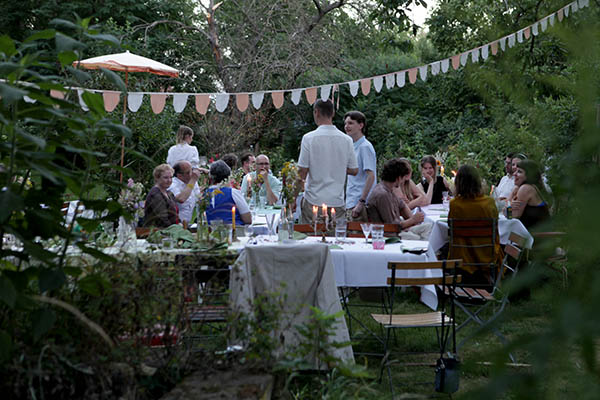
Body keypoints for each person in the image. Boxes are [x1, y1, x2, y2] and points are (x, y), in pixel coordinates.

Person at [298, 99, 358, 223]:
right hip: (337, 201)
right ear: (333, 113)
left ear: (316, 112)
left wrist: (293, 197)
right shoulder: (346, 140)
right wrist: (338, 165)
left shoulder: (309, 138)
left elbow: (302, 172)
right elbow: (354, 170)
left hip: (313, 200)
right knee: (336, 234)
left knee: (311, 234)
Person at [448, 164, 503, 281]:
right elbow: (495, 226)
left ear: (458, 183)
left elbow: (450, 227)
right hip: (487, 255)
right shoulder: (489, 203)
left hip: (462, 258)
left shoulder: (455, 204)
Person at [366, 158, 424, 228]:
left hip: (397, 229)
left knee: (428, 227)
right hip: (388, 233)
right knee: (428, 230)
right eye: (403, 178)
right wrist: (413, 220)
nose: (403, 181)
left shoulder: (388, 189)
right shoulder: (383, 195)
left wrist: (413, 221)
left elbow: (402, 205)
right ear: (399, 178)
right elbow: (392, 226)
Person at [344, 111, 376, 221]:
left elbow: (371, 176)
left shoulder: (365, 147)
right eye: (345, 123)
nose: (347, 126)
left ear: (361, 125)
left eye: (350, 123)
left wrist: (361, 202)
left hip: (360, 203)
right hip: (351, 200)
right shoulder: (352, 146)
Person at [205, 160, 252, 225]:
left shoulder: (204, 195)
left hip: (210, 229)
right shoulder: (233, 193)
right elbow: (247, 219)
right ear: (228, 177)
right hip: (234, 229)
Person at [509, 159, 550, 229]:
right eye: (516, 171)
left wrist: (506, 208)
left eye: (519, 172)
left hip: (536, 234)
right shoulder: (533, 187)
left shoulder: (525, 188)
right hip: (539, 230)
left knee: (500, 232)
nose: (514, 174)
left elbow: (513, 216)